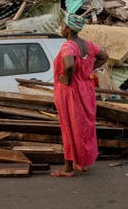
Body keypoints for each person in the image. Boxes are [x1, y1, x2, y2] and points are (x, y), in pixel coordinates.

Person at [51, 13, 108, 178]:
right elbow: (104, 56)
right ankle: (80, 162)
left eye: (63, 26)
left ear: (69, 30)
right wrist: (88, 69)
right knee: (83, 127)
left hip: (70, 91)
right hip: (86, 89)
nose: (61, 29)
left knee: (68, 127)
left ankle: (68, 168)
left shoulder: (68, 46)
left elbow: (68, 64)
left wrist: (68, 78)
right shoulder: (88, 45)